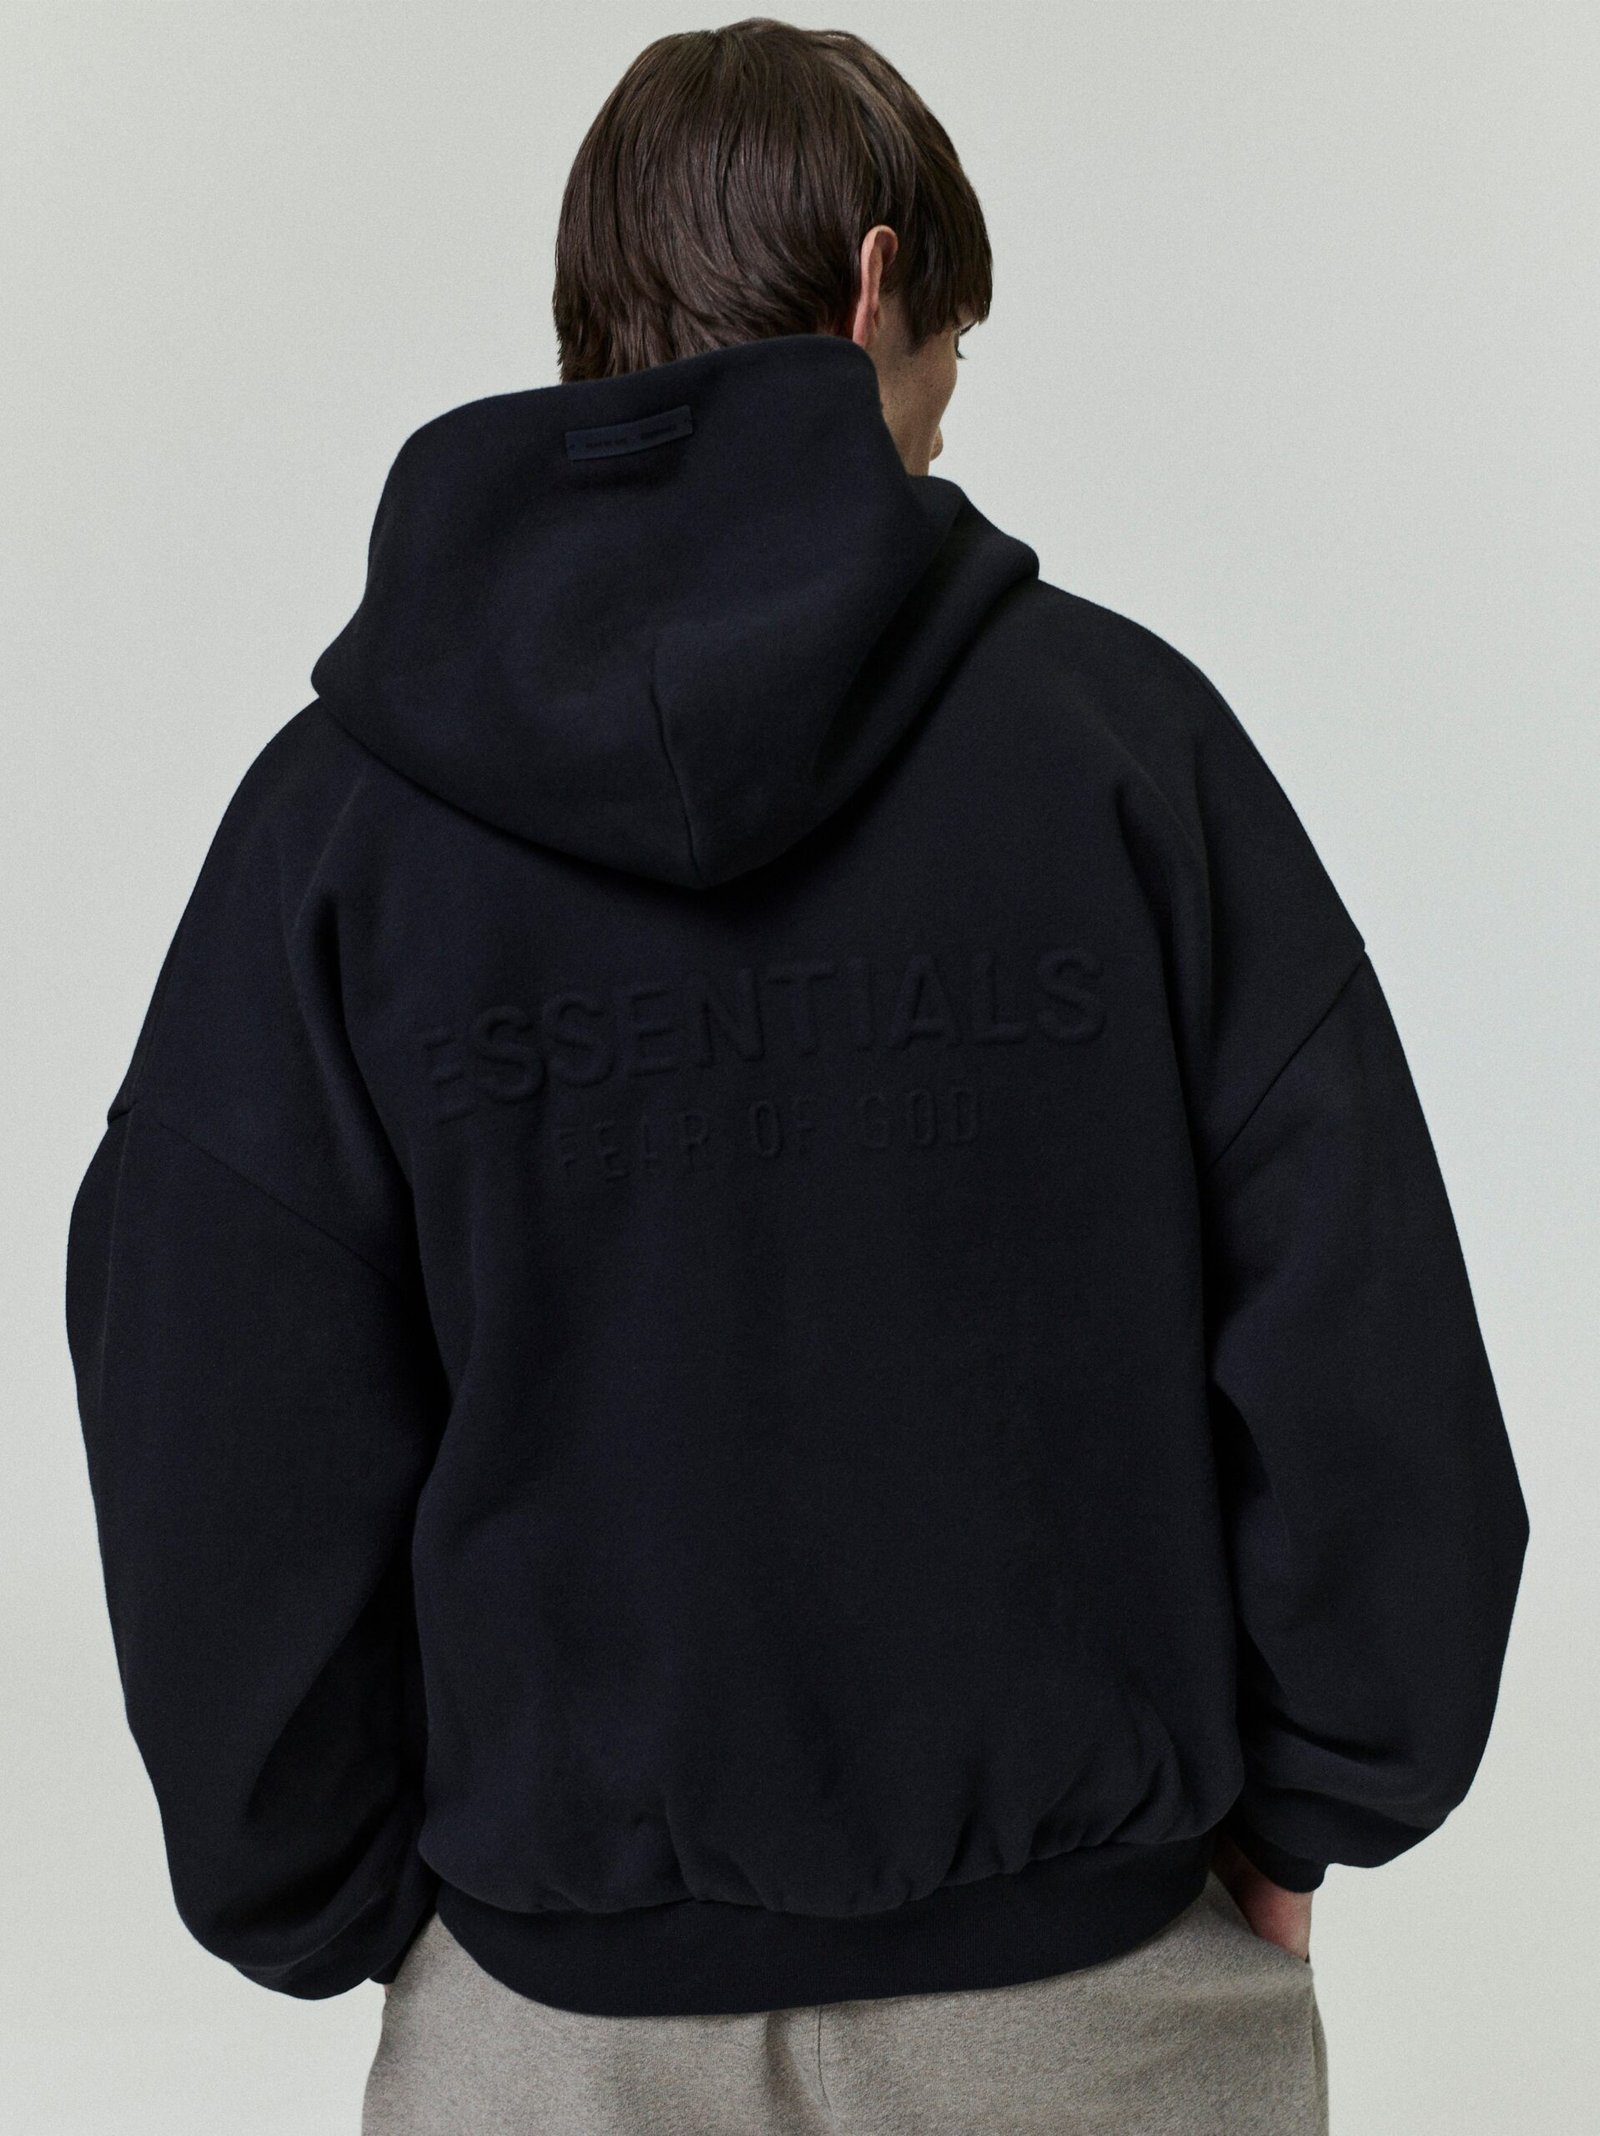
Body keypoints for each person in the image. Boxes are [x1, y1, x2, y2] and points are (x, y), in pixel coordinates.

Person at [65, 18, 1529, 2135]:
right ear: (872, 290)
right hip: (1095, 2009)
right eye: (953, 360)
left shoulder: (335, 829)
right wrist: (1313, 1804)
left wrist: (347, 1901)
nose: (939, 421)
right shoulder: (1126, 752)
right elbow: (1360, 1346)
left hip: (547, 2042)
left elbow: (210, 1416)